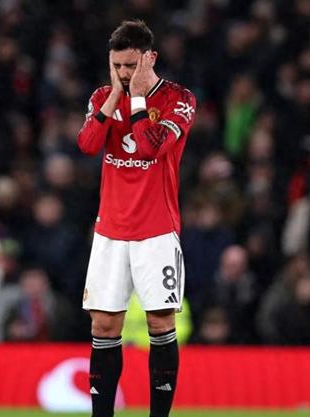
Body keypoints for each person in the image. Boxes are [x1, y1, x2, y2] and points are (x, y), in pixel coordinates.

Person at [77, 20, 196, 417]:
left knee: (160, 325)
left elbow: (150, 148)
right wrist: (115, 95)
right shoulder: (102, 97)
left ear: (150, 58)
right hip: (110, 230)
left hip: (156, 230)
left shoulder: (179, 99)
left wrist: (140, 100)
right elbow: (88, 145)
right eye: (117, 65)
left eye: (131, 65)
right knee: (103, 327)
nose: (124, 73)